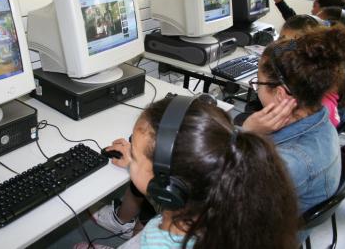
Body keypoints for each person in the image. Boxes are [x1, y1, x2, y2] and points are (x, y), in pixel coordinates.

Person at [87, 96, 298, 248]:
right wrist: (140, 163)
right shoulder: (233, 205)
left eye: (135, 152)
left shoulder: (160, 241)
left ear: (169, 188)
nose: (130, 152)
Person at [242, 26, 345, 219]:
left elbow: (228, 194)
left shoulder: (292, 162)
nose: (256, 89)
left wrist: (247, 134)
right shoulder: (322, 122)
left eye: (257, 83)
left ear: (280, 94)